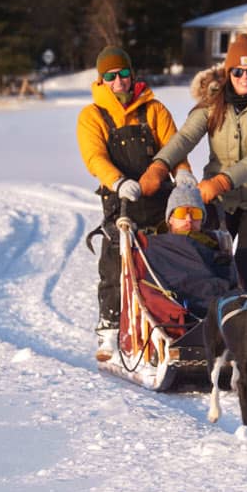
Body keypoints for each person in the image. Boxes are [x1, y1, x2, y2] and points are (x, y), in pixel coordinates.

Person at [139, 32, 247, 293]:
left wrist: (221, 181)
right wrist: (160, 165)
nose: (245, 78)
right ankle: (202, 325)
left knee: (243, 272)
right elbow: (185, 137)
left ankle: (240, 325)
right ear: (228, 72)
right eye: (238, 72)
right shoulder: (213, 104)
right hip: (220, 201)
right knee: (205, 263)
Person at [78, 46, 188, 352]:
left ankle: (174, 320)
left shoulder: (154, 109)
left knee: (170, 255)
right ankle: (110, 328)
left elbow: (174, 147)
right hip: (120, 200)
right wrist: (118, 181)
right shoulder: (92, 116)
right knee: (115, 257)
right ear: (101, 80)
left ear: (132, 75)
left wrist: (183, 175)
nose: (119, 81)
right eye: (111, 76)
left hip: (158, 198)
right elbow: (94, 157)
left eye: (123, 73)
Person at [142, 172, 239, 312]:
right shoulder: (153, 246)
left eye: (196, 214)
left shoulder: (215, 246)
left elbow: (230, 284)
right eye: (182, 213)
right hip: (173, 310)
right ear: (170, 218)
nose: (189, 219)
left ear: (202, 220)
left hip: (214, 311)